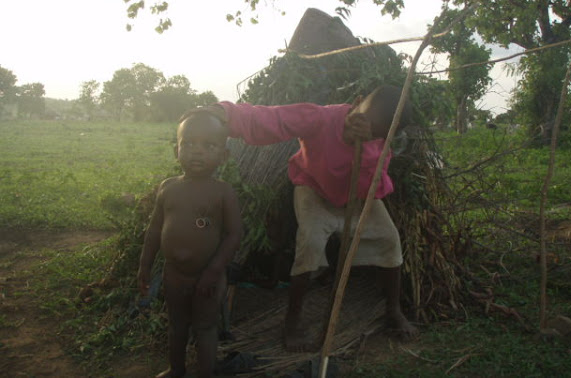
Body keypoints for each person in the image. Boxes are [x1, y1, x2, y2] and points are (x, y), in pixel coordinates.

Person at [208, 84, 418, 352]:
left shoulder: (380, 146)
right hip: (314, 188)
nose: (367, 131)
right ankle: (292, 322)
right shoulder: (321, 118)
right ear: (356, 102)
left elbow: (372, 188)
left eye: (376, 133)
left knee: (390, 240)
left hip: (357, 196)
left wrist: (364, 149)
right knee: (310, 244)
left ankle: (393, 309)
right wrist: (224, 113)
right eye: (363, 120)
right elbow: (273, 119)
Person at [137, 109, 243, 378]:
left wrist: (214, 271)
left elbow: (234, 235)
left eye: (209, 146)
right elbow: (154, 229)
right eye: (189, 144)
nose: (197, 152)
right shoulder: (168, 188)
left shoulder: (223, 193)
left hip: (208, 277)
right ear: (177, 150)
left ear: (224, 155)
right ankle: (177, 369)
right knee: (177, 326)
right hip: (174, 275)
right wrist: (145, 266)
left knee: (205, 328)